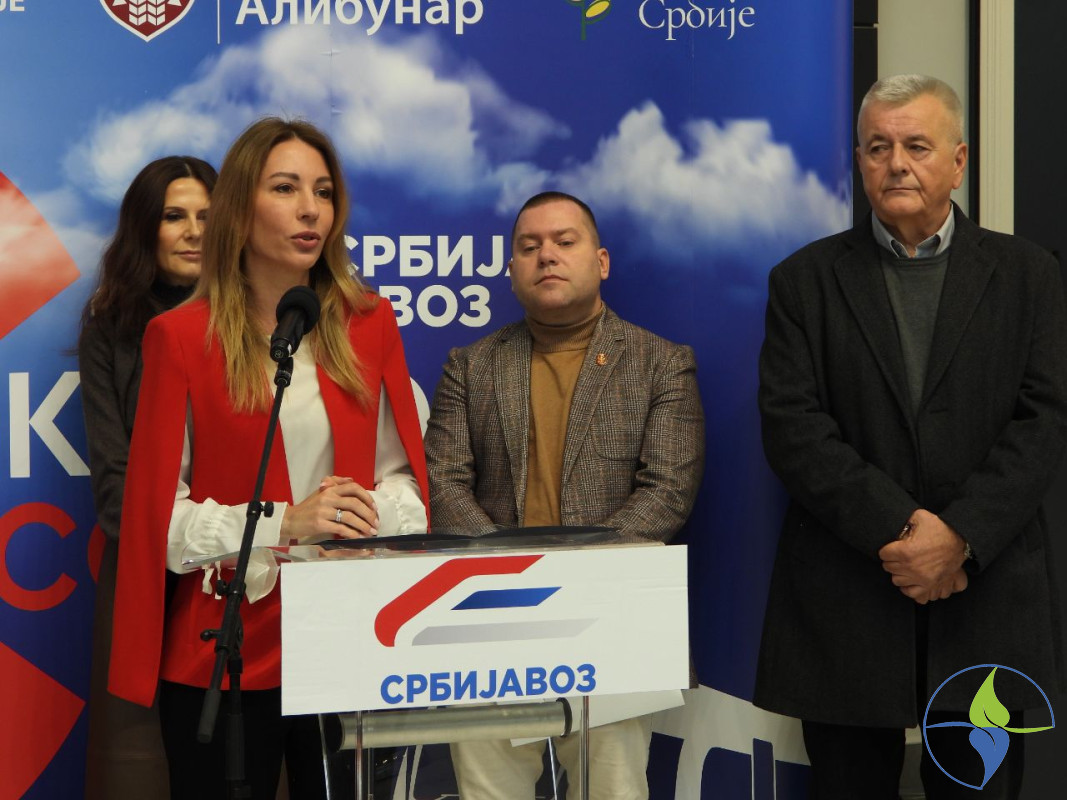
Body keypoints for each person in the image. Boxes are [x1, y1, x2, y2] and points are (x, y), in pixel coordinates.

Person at [754, 74, 1067, 799]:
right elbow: (793, 428)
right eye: (877, 147)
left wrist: (958, 538)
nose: (895, 163)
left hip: (985, 596)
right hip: (847, 597)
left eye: (916, 146)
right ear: (859, 161)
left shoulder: (1030, 275)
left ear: (958, 161)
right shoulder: (802, 281)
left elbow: (1044, 419)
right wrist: (903, 531)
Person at [107, 118, 429, 799]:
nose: (310, 209)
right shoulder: (179, 337)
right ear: (239, 209)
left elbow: (405, 482)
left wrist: (362, 518)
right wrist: (288, 522)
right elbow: (158, 523)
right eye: (285, 188)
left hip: (346, 637)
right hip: (222, 649)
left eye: (323, 191)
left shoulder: (370, 323)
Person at [423, 191, 704, 800]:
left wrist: (572, 582)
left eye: (564, 241)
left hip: (612, 620)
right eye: (529, 246)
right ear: (512, 270)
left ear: (601, 261)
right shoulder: (470, 365)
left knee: (613, 791)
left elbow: (667, 491)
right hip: (489, 620)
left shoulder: (661, 363)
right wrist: (513, 577)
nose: (546, 255)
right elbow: (442, 483)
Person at [79, 154, 217, 799]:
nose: (193, 232)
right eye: (173, 216)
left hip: (246, 565)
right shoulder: (110, 326)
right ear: (145, 228)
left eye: (207, 217)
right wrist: (168, 546)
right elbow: (113, 474)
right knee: (138, 756)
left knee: (241, 748)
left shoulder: (258, 320)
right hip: (144, 565)